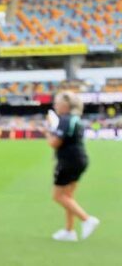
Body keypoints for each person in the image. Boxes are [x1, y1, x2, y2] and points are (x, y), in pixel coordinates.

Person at [47, 90, 98, 241]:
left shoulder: (65, 120)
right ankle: (69, 231)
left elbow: (54, 143)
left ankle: (86, 219)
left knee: (58, 196)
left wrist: (49, 129)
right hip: (79, 160)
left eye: (57, 102)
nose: (55, 105)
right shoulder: (74, 119)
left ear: (65, 104)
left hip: (68, 161)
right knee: (68, 197)